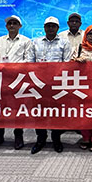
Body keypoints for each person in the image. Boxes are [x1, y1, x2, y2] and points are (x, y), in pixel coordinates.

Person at [28, 16, 73, 153]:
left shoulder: (64, 42)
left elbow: (67, 63)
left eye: (53, 26)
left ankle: (56, 138)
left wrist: (54, 76)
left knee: (57, 112)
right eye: (48, 26)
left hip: (57, 83)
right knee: (39, 112)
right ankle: (40, 139)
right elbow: (30, 62)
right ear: (44, 27)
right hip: (39, 84)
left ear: (57, 28)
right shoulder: (35, 42)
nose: (50, 28)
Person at [0, 15, 32, 151]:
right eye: (10, 23)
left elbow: (29, 60)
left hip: (18, 79)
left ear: (20, 26)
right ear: (6, 26)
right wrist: (3, 67)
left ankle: (18, 136)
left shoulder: (26, 41)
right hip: (1, 78)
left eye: (15, 23)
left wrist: (13, 68)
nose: (12, 25)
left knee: (18, 108)